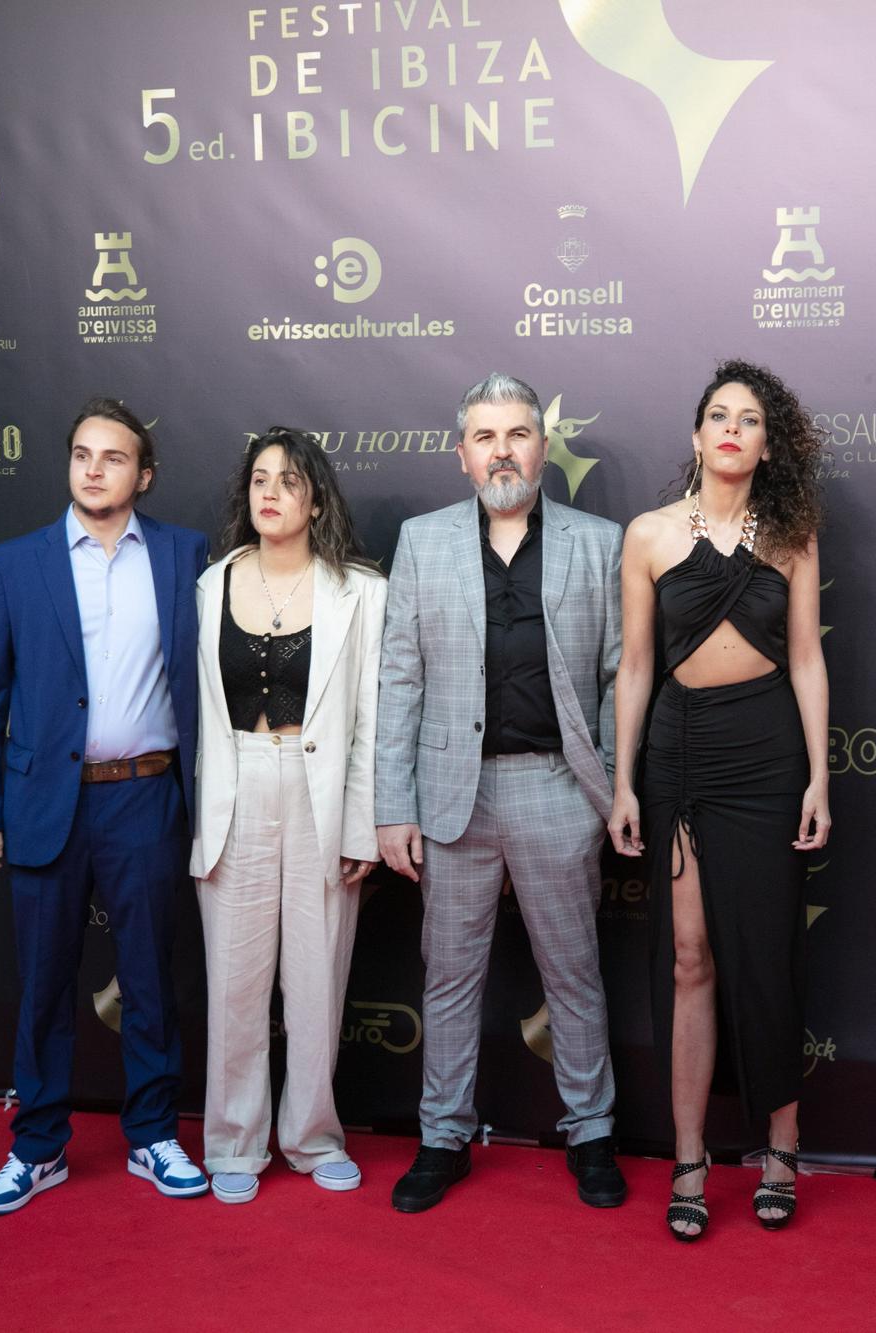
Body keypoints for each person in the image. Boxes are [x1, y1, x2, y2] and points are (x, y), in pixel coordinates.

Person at [375, 371, 628, 1213]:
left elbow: (621, 676)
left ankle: (591, 1133)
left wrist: (615, 789)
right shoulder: (422, 540)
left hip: (559, 785)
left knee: (575, 971)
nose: (502, 451)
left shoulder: (599, 541)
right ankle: (443, 1136)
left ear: (543, 448)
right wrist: (392, 804)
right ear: (462, 456)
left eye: (517, 434)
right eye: (484, 437)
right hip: (453, 793)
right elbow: (400, 678)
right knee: (448, 977)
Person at [0, 397, 211, 1214]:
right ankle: (37, 1146)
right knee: (43, 984)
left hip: (146, 796)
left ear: (145, 473)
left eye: (113, 457)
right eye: (82, 455)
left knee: (150, 980)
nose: (94, 469)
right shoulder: (12, 564)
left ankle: (153, 1134)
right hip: (41, 803)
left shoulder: (185, 555)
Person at [608, 359, 831, 1240]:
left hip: (768, 752)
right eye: (718, 415)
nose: (732, 428)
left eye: (750, 419)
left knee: (765, 952)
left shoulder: (794, 535)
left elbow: (809, 658)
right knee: (689, 957)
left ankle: (783, 1146)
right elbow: (633, 667)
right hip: (680, 752)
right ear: (697, 436)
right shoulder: (650, 535)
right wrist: (622, 780)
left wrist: (821, 773)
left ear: (769, 447)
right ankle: (690, 1158)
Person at [190, 427, 387, 1204]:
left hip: (321, 791)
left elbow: (370, 721)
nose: (270, 492)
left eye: (289, 481)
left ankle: (313, 1137)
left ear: (315, 499)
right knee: (234, 982)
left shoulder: (361, 591)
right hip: (234, 787)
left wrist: (363, 823)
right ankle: (233, 1144)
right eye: (260, 478)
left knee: (317, 977)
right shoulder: (211, 585)